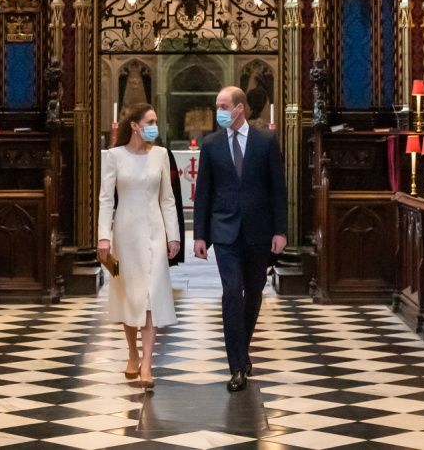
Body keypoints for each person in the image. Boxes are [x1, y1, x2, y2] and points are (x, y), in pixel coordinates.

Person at [193, 86, 287, 392]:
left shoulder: (266, 142)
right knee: (232, 291)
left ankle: (242, 350)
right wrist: (200, 236)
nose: (218, 110)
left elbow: (278, 190)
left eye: (223, 105)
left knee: (254, 292)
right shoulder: (211, 144)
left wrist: (280, 231)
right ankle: (236, 366)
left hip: (259, 230)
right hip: (225, 231)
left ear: (239, 108)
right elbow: (204, 192)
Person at [98, 103, 182, 390]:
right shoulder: (114, 156)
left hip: (155, 233)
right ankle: (132, 354)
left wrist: (174, 236)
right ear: (134, 125)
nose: (154, 126)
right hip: (125, 233)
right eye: (150, 121)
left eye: (156, 121)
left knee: (150, 297)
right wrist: (103, 237)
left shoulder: (160, 155)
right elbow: (106, 199)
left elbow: (168, 199)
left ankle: (147, 362)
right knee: (131, 295)